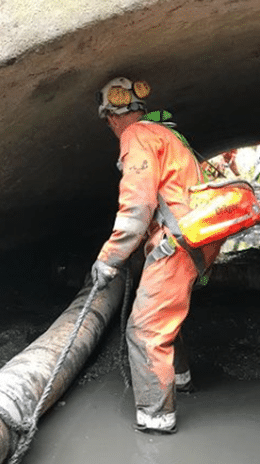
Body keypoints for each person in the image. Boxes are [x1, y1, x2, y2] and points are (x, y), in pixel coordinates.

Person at [90, 77, 220, 434]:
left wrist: (109, 258)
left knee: (145, 328)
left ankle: (156, 416)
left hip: (177, 244)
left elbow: (138, 205)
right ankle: (180, 378)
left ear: (110, 118)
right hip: (195, 240)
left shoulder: (135, 137)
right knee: (164, 315)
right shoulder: (166, 134)